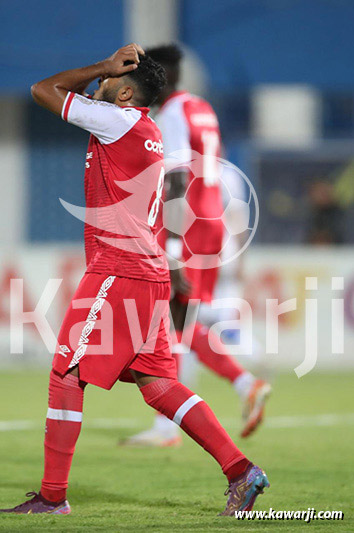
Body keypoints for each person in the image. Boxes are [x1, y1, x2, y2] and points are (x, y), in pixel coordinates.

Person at [0, 43, 269, 516]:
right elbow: (75, 93)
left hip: (118, 270)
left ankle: (52, 496)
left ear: (125, 92)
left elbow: (44, 89)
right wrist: (103, 75)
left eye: (106, 81)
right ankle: (241, 471)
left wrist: (104, 66)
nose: (96, 86)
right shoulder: (142, 127)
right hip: (146, 272)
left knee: (65, 374)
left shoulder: (117, 120)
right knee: (158, 385)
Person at [123, 44, 271, 448]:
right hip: (208, 221)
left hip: (184, 225)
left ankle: (169, 424)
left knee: (166, 321)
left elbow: (175, 178)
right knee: (180, 323)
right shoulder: (201, 107)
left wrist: (170, 244)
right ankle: (241, 385)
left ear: (160, 77)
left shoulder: (170, 113)